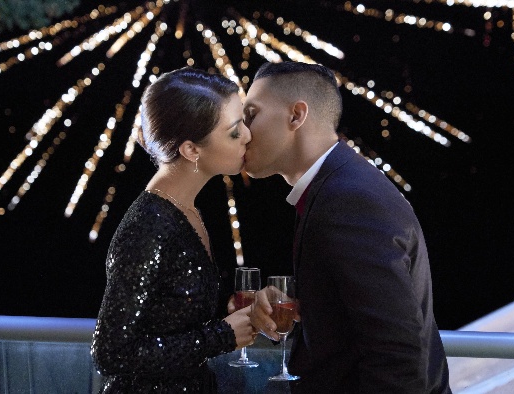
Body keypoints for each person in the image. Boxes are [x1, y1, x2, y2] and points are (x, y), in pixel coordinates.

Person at [243, 62, 451, 393]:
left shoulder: (347, 199)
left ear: (297, 116)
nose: (242, 130)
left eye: (251, 114)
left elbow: (396, 355)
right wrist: (300, 301)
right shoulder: (338, 187)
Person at [91, 67, 256, 393]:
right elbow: (110, 355)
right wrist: (220, 336)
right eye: (235, 131)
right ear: (191, 150)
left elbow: (169, 318)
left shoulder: (185, 209)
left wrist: (229, 313)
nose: (249, 136)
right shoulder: (147, 229)